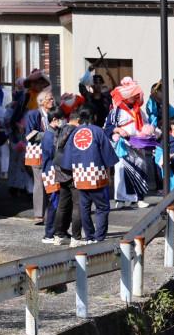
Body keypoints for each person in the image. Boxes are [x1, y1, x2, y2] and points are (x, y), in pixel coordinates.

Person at [62, 106, 118, 242]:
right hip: (97, 174)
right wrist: (110, 173)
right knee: (102, 207)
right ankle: (99, 237)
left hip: (80, 175)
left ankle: (89, 236)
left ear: (79, 119)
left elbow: (67, 161)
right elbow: (108, 155)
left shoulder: (74, 133)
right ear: (93, 117)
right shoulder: (98, 131)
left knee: (84, 207)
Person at [105, 77, 148, 209]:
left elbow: (146, 124)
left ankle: (139, 198)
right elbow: (107, 128)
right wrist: (118, 130)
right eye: (132, 95)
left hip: (138, 143)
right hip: (123, 144)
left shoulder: (139, 111)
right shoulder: (116, 111)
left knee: (140, 166)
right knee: (121, 169)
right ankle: (121, 199)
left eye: (136, 95)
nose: (135, 98)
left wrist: (147, 133)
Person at [23, 88, 56, 223]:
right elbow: (30, 135)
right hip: (37, 152)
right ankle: (38, 214)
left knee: (52, 181)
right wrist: (50, 134)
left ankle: (52, 212)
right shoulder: (33, 114)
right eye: (50, 99)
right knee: (39, 182)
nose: (53, 101)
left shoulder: (53, 114)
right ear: (42, 102)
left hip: (51, 152)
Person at [39, 108, 69, 245]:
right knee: (54, 203)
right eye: (61, 119)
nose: (63, 121)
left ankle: (59, 230)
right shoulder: (49, 136)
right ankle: (49, 233)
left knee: (59, 203)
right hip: (51, 172)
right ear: (54, 120)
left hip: (54, 171)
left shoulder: (53, 133)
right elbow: (53, 154)